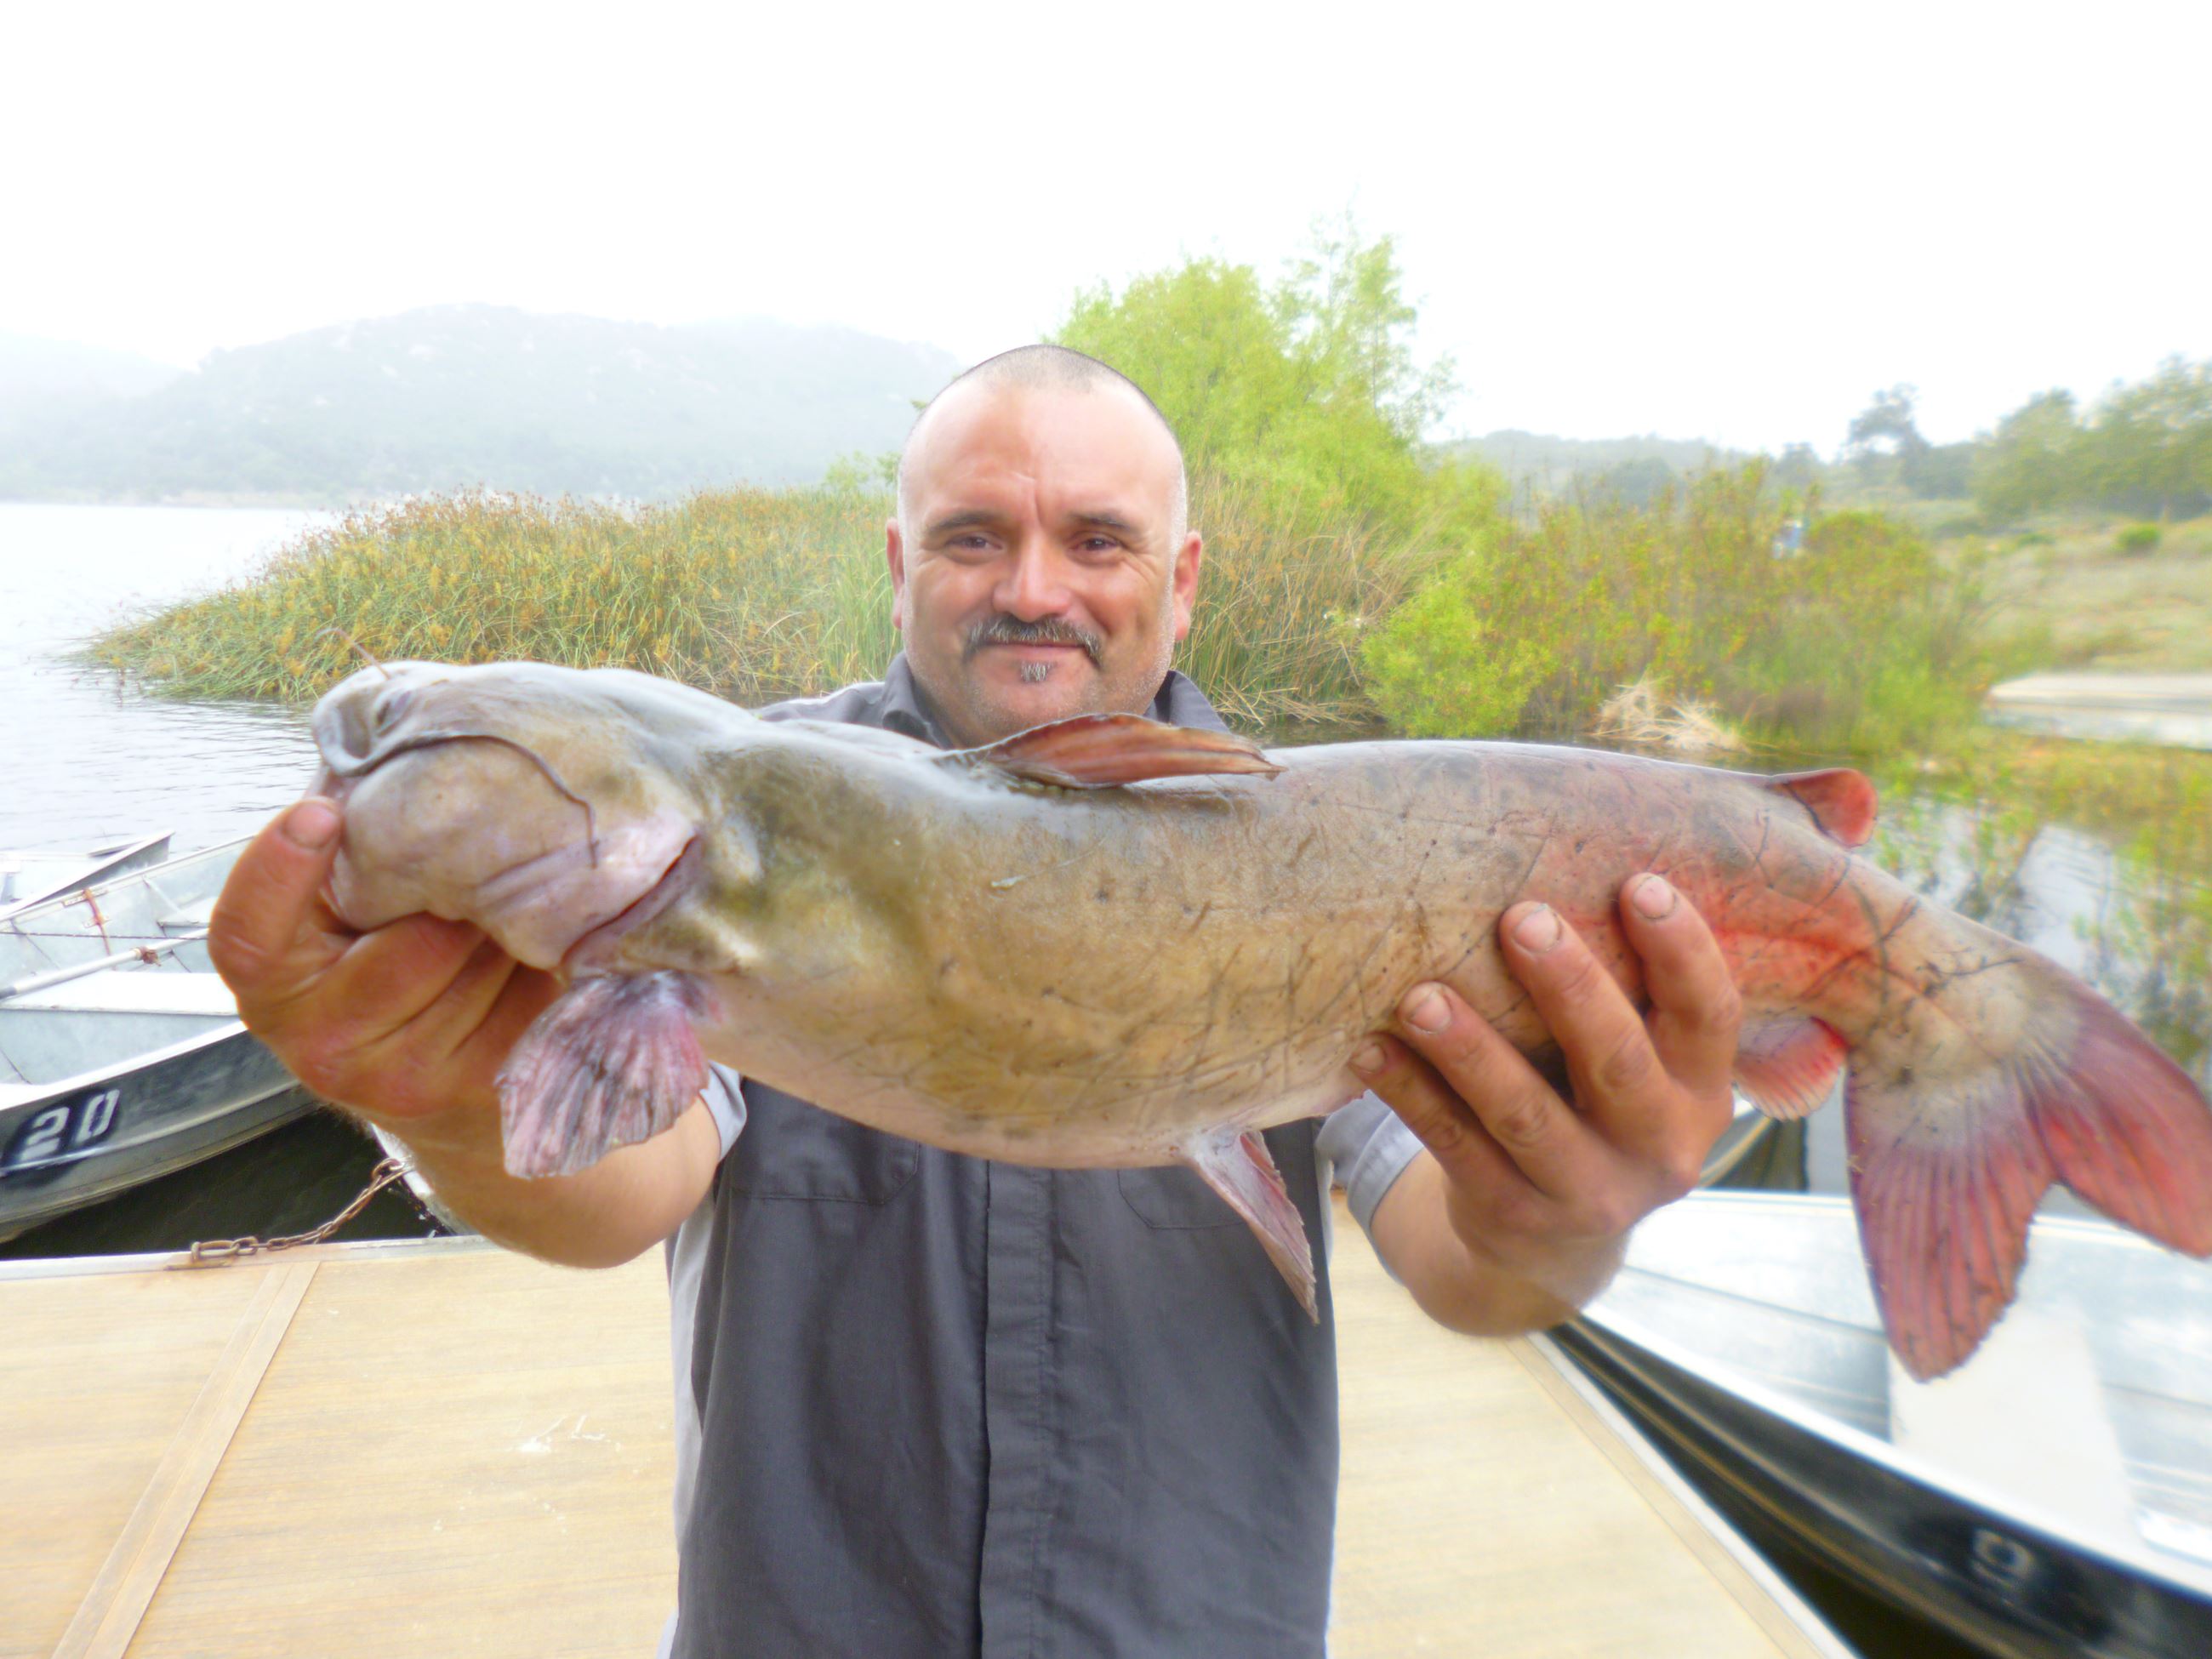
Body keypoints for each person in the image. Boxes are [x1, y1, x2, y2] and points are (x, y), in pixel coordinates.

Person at [208, 345, 1742, 1656]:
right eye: (971, 538)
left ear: (1183, 581)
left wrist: (1570, 1215)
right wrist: (435, 1094)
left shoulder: (1330, 857)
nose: (1033, 590)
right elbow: (618, 1189)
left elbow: (1470, 1270)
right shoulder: (745, 821)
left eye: (1096, 539)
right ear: (896, 563)